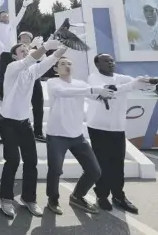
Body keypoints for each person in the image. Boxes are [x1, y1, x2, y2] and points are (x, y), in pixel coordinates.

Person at [0, 38, 64, 218]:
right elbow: (31, 59)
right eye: (21, 50)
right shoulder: (12, 68)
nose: (25, 52)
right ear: (14, 56)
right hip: (8, 123)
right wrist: (45, 47)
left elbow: (50, 60)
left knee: (31, 162)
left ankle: (29, 199)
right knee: (12, 160)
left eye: (27, 49)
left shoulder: (32, 71)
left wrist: (64, 47)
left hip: (25, 123)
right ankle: (5, 198)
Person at [45, 57, 115, 215]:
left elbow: (96, 97)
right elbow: (64, 93)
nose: (67, 66)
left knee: (94, 171)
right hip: (57, 135)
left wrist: (107, 93)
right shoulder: (53, 83)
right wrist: (94, 90)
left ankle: (77, 196)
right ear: (56, 69)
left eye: (69, 63)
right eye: (62, 64)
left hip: (77, 136)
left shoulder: (81, 84)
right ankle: (53, 199)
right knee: (55, 170)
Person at [87, 54, 155, 213]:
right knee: (102, 162)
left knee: (117, 163)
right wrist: (132, 85)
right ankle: (102, 195)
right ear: (97, 64)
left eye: (112, 60)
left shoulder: (122, 78)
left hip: (117, 127)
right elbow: (108, 91)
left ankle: (118, 196)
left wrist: (149, 82)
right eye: (106, 61)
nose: (110, 63)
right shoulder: (94, 78)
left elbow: (142, 86)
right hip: (98, 127)